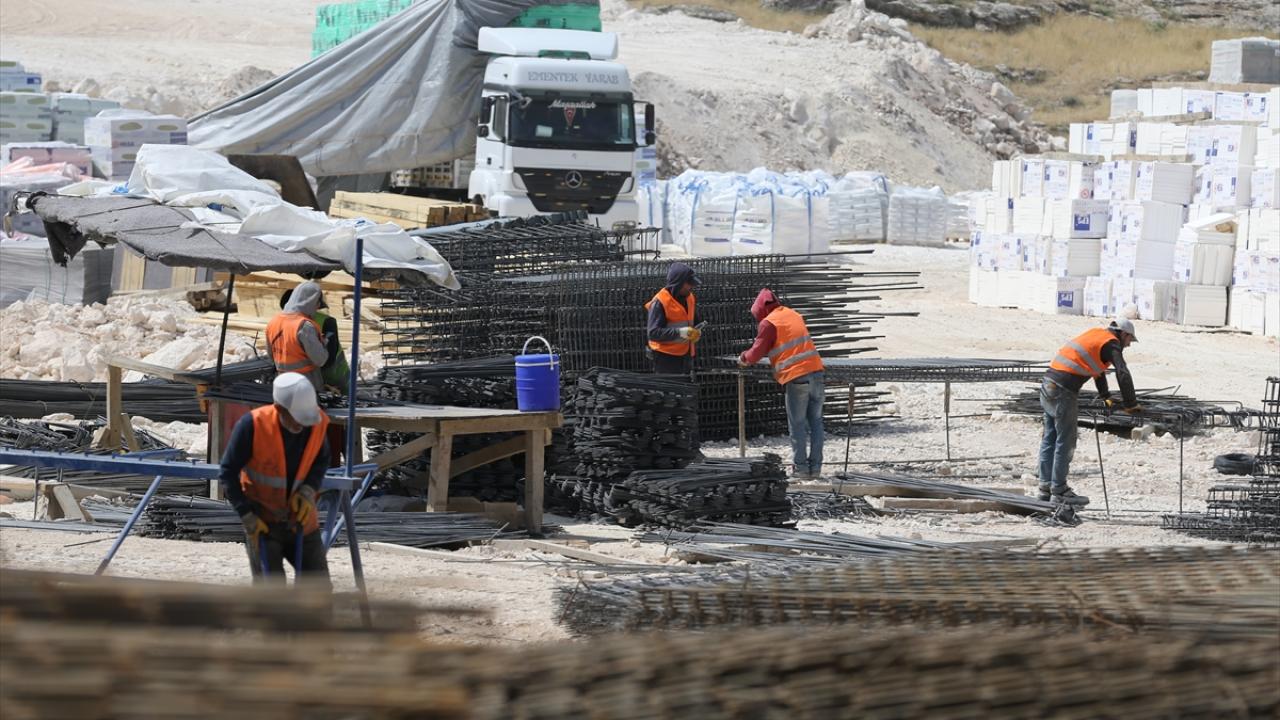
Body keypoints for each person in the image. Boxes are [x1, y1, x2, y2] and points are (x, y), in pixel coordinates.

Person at [219, 373, 331, 584]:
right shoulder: (252, 425)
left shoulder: (316, 423)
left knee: (318, 591)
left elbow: (321, 460)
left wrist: (308, 490)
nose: (302, 425)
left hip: (301, 521)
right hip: (263, 523)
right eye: (297, 419)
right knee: (271, 597)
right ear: (279, 408)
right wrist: (247, 515)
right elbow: (227, 472)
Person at [1039, 318, 1142, 506]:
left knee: (1050, 438)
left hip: (1048, 384)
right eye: (1129, 341)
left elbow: (1096, 369)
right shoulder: (1111, 344)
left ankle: (1045, 489)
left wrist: (1105, 396)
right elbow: (1123, 372)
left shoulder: (1096, 335)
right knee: (1066, 440)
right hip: (1063, 390)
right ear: (1123, 334)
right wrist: (1131, 403)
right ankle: (1059, 491)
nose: (1128, 345)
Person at [737, 288, 825, 479]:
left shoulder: (769, 323)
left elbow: (756, 353)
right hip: (817, 373)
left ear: (761, 309)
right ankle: (816, 468)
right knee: (816, 423)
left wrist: (743, 358)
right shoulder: (792, 314)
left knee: (798, 425)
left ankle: (801, 469)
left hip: (797, 377)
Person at [267, 281, 329, 393]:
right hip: (306, 384)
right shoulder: (305, 326)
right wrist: (323, 344)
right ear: (312, 303)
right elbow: (320, 360)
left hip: (282, 383)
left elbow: (272, 356)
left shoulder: (273, 322)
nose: (317, 309)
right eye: (317, 305)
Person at [645, 262, 702, 375]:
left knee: (685, 391)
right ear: (678, 283)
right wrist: (680, 332)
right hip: (665, 359)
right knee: (669, 392)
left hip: (685, 356)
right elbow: (653, 333)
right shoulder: (660, 302)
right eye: (689, 284)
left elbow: (693, 320)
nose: (692, 287)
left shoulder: (689, 298)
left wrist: (697, 330)